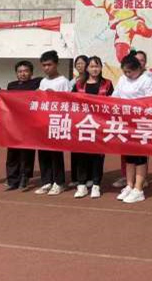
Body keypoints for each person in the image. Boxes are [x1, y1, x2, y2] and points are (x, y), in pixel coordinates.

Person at [114, 53, 152, 204]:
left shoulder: (147, 79)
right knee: (129, 156)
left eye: (130, 71)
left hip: (140, 122)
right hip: (125, 122)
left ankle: (139, 189)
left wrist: (134, 108)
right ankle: (129, 185)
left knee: (140, 156)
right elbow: (115, 96)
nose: (127, 74)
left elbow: (150, 101)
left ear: (138, 68)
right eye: (125, 71)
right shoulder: (122, 79)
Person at [72, 56, 114, 199]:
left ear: (101, 68)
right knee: (81, 155)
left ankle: (96, 184)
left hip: (100, 125)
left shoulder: (107, 84)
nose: (94, 69)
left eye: (97, 66)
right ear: (87, 68)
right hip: (83, 124)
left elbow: (114, 103)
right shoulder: (79, 84)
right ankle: (81, 185)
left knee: (97, 156)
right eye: (91, 66)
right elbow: (70, 101)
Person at [34, 50, 71, 196]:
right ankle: (46, 181)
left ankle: (59, 182)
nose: (46, 68)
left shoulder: (63, 81)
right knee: (43, 152)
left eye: (49, 65)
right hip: (43, 121)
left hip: (56, 121)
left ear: (56, 64)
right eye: (44, 65)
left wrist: (53, 96)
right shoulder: (43, 82)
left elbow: (68, 102)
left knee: (56, 153)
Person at [4, 61, 41, 191]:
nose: (23, 74)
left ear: (31, 72)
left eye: (25, 71)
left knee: (26, 152)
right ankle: (12, 179)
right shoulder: (11, 85)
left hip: (29, 123)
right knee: (12, 152)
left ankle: (24, 178)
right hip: (14, 124)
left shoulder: (37, 83)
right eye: (20, 71)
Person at [69, 54, 90, 188]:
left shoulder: (91, 80)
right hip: (75, 118)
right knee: (75, 149)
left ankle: (88, 177)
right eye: (77, 64)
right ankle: (75, 177)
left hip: (88, 118)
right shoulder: (73, 81)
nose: (80, 66)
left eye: (82, 63)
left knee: (87, 149)